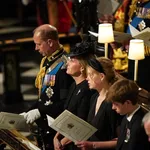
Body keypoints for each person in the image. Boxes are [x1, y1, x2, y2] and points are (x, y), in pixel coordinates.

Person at [20, 24, 73, 150]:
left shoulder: (65, 66)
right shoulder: (47, 61)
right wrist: (29, 111)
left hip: (58, 127)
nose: (35, 48)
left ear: (50, 42)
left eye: (38, 44)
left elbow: (66, 103)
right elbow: (44, 97)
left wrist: (40, 111)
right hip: (45, 124)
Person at [53, 41, 95, 150]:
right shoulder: (73, 85)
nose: (67, 63)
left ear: (82, 67)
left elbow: (82, 123)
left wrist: (62, 142)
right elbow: (67, 115)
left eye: (72, 61)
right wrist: (56, 137)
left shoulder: (87, 89)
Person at [76, 57, 122, 150]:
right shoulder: (94, 97)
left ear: (101, 76)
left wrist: (93, 145)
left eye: (90, 75)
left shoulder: (113, 103)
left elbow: (121, 140)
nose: (87, 78)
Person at [106, 79, 150, 150]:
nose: (113, 107)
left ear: (127, 103)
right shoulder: (127, 117)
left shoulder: (138, 125)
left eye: (116, 104)